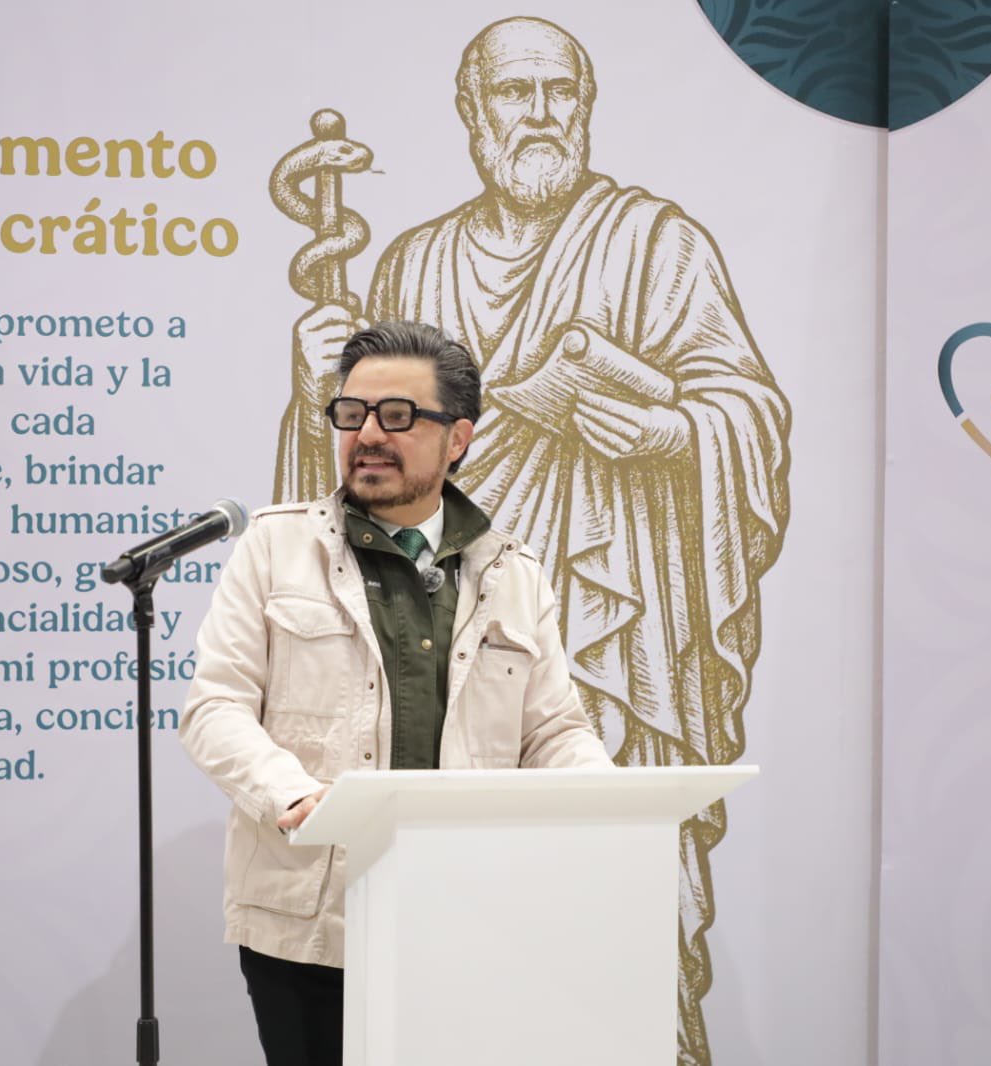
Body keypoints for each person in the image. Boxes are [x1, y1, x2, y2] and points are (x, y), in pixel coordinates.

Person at [273, 18, 791, 1063]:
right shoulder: (415, 260)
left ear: (587, 107)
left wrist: (673, 432)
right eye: (515, 95)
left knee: (617, 924)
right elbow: (354, 468)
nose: (541, 114)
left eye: (562, 93)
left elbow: (749, 413)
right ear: (474, 115)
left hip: (619, 637)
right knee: (449, 944)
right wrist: (309, 387)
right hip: (441, 641)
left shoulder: (656, 243)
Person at [182, 320, 612, 1065]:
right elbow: (215, 708)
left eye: (398, 416)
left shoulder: (513, 570)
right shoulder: (278, 548)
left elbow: (552, 732)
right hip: (311, 920)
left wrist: (606, 805)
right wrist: (292, 795)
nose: (369, 434)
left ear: (459, 438)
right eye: (352, 415)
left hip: (469, 914)